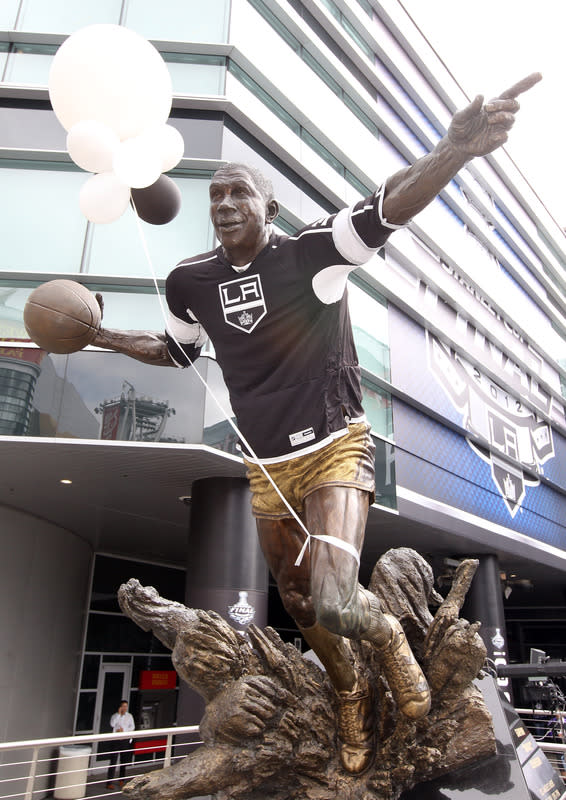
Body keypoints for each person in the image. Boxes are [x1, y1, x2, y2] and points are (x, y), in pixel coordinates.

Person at [93, 72, 541, 775]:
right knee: (301, 600)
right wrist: (100, 334)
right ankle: (350, 693)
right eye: (215, 195)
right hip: (268, 466)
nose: (225, 203)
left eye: (239, 190)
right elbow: (176, 351)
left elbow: (387, 208)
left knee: (336, 595)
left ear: (268, 204)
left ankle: (389, 639)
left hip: (336, 444)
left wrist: (453, 151)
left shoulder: (309, 252)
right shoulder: (189, 280)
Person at [106, 700, 135, 789]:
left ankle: (121, 780)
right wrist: (119, 715)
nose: (124, 708)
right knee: (113, 761)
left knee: (123, 761)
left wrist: (124, 731)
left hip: (125, 740)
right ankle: (109, 782)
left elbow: (132, 727)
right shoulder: (115, 716)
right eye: (123, 706)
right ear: (120, 707)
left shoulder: (129, 716)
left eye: (126, 706)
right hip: (116, 740)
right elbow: (112, 724)